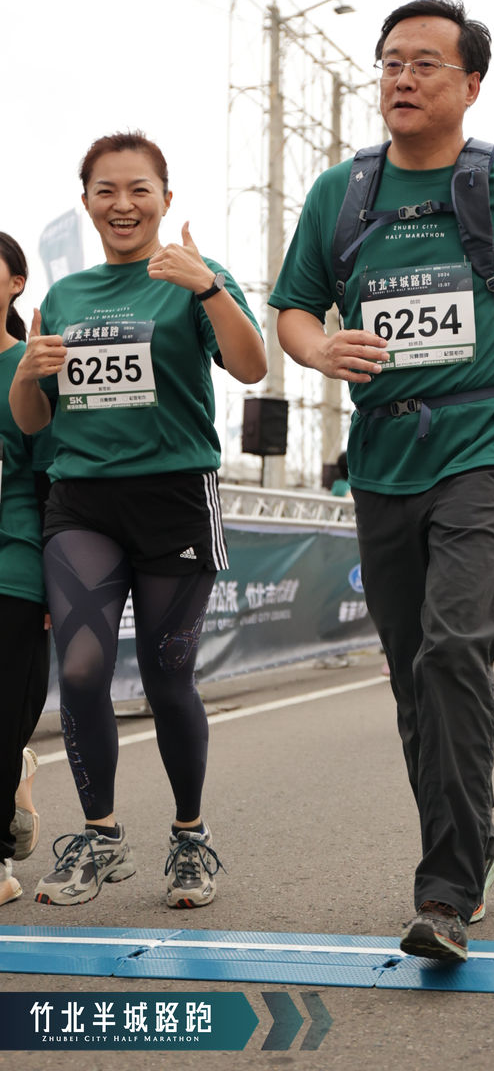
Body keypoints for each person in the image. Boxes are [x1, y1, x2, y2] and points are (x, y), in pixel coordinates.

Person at [271, 0, 494, 961]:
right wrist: (320, 348)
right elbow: (293, 308)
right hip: (383, 454)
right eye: (389, 63)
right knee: (416, 671)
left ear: (470, 84)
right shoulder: (339, 193)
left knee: (457, 647)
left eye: (424, 63)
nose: (402, 79)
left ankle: (445, 890)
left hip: (484, 443)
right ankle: (475, 840)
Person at [10, 131, 266, 908]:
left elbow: (251, 366)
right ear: (87, 202)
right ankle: (100, 836)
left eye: (138, 189)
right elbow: (33, 420)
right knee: (81, 671)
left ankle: (190, 837)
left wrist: (208, 288)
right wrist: (26, 375)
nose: (122, 204)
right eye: (106, 191)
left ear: (164, 198)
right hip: (82, 503)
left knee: (166, 677)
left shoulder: (194, 276)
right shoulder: (66, 296)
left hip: (174, 501)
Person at [0, 234, 51, 906]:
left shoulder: (29, 365)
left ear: (16, 282)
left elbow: (50, 476)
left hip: (12, 558)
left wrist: (54, 581)